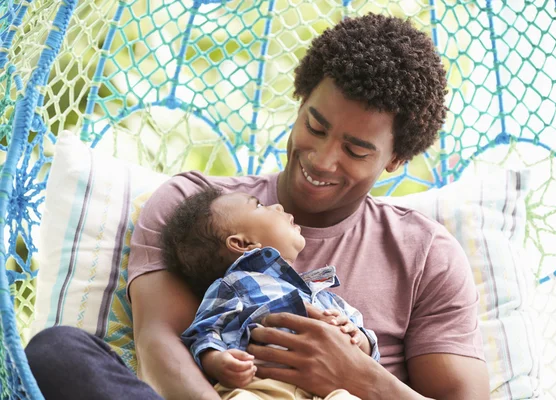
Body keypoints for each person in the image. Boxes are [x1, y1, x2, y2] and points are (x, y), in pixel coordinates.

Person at [25, 13, 490, 400]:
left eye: (355, 150)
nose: (322, 158)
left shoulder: (427, 255)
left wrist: (355, 374)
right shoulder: (197, 207)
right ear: (300, 99)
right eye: (316, 124)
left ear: (396, 159)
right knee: (57, 351)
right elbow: (159, 341)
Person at [162, 187, 378, 399]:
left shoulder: (322, 293)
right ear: (242, 243)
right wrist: (217, 362)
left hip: (330, 389)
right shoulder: (235, 284)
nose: (277, 205)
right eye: (259, 205)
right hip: (262, 386)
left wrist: (356, 337)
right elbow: (204, 332)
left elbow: (369, 358)